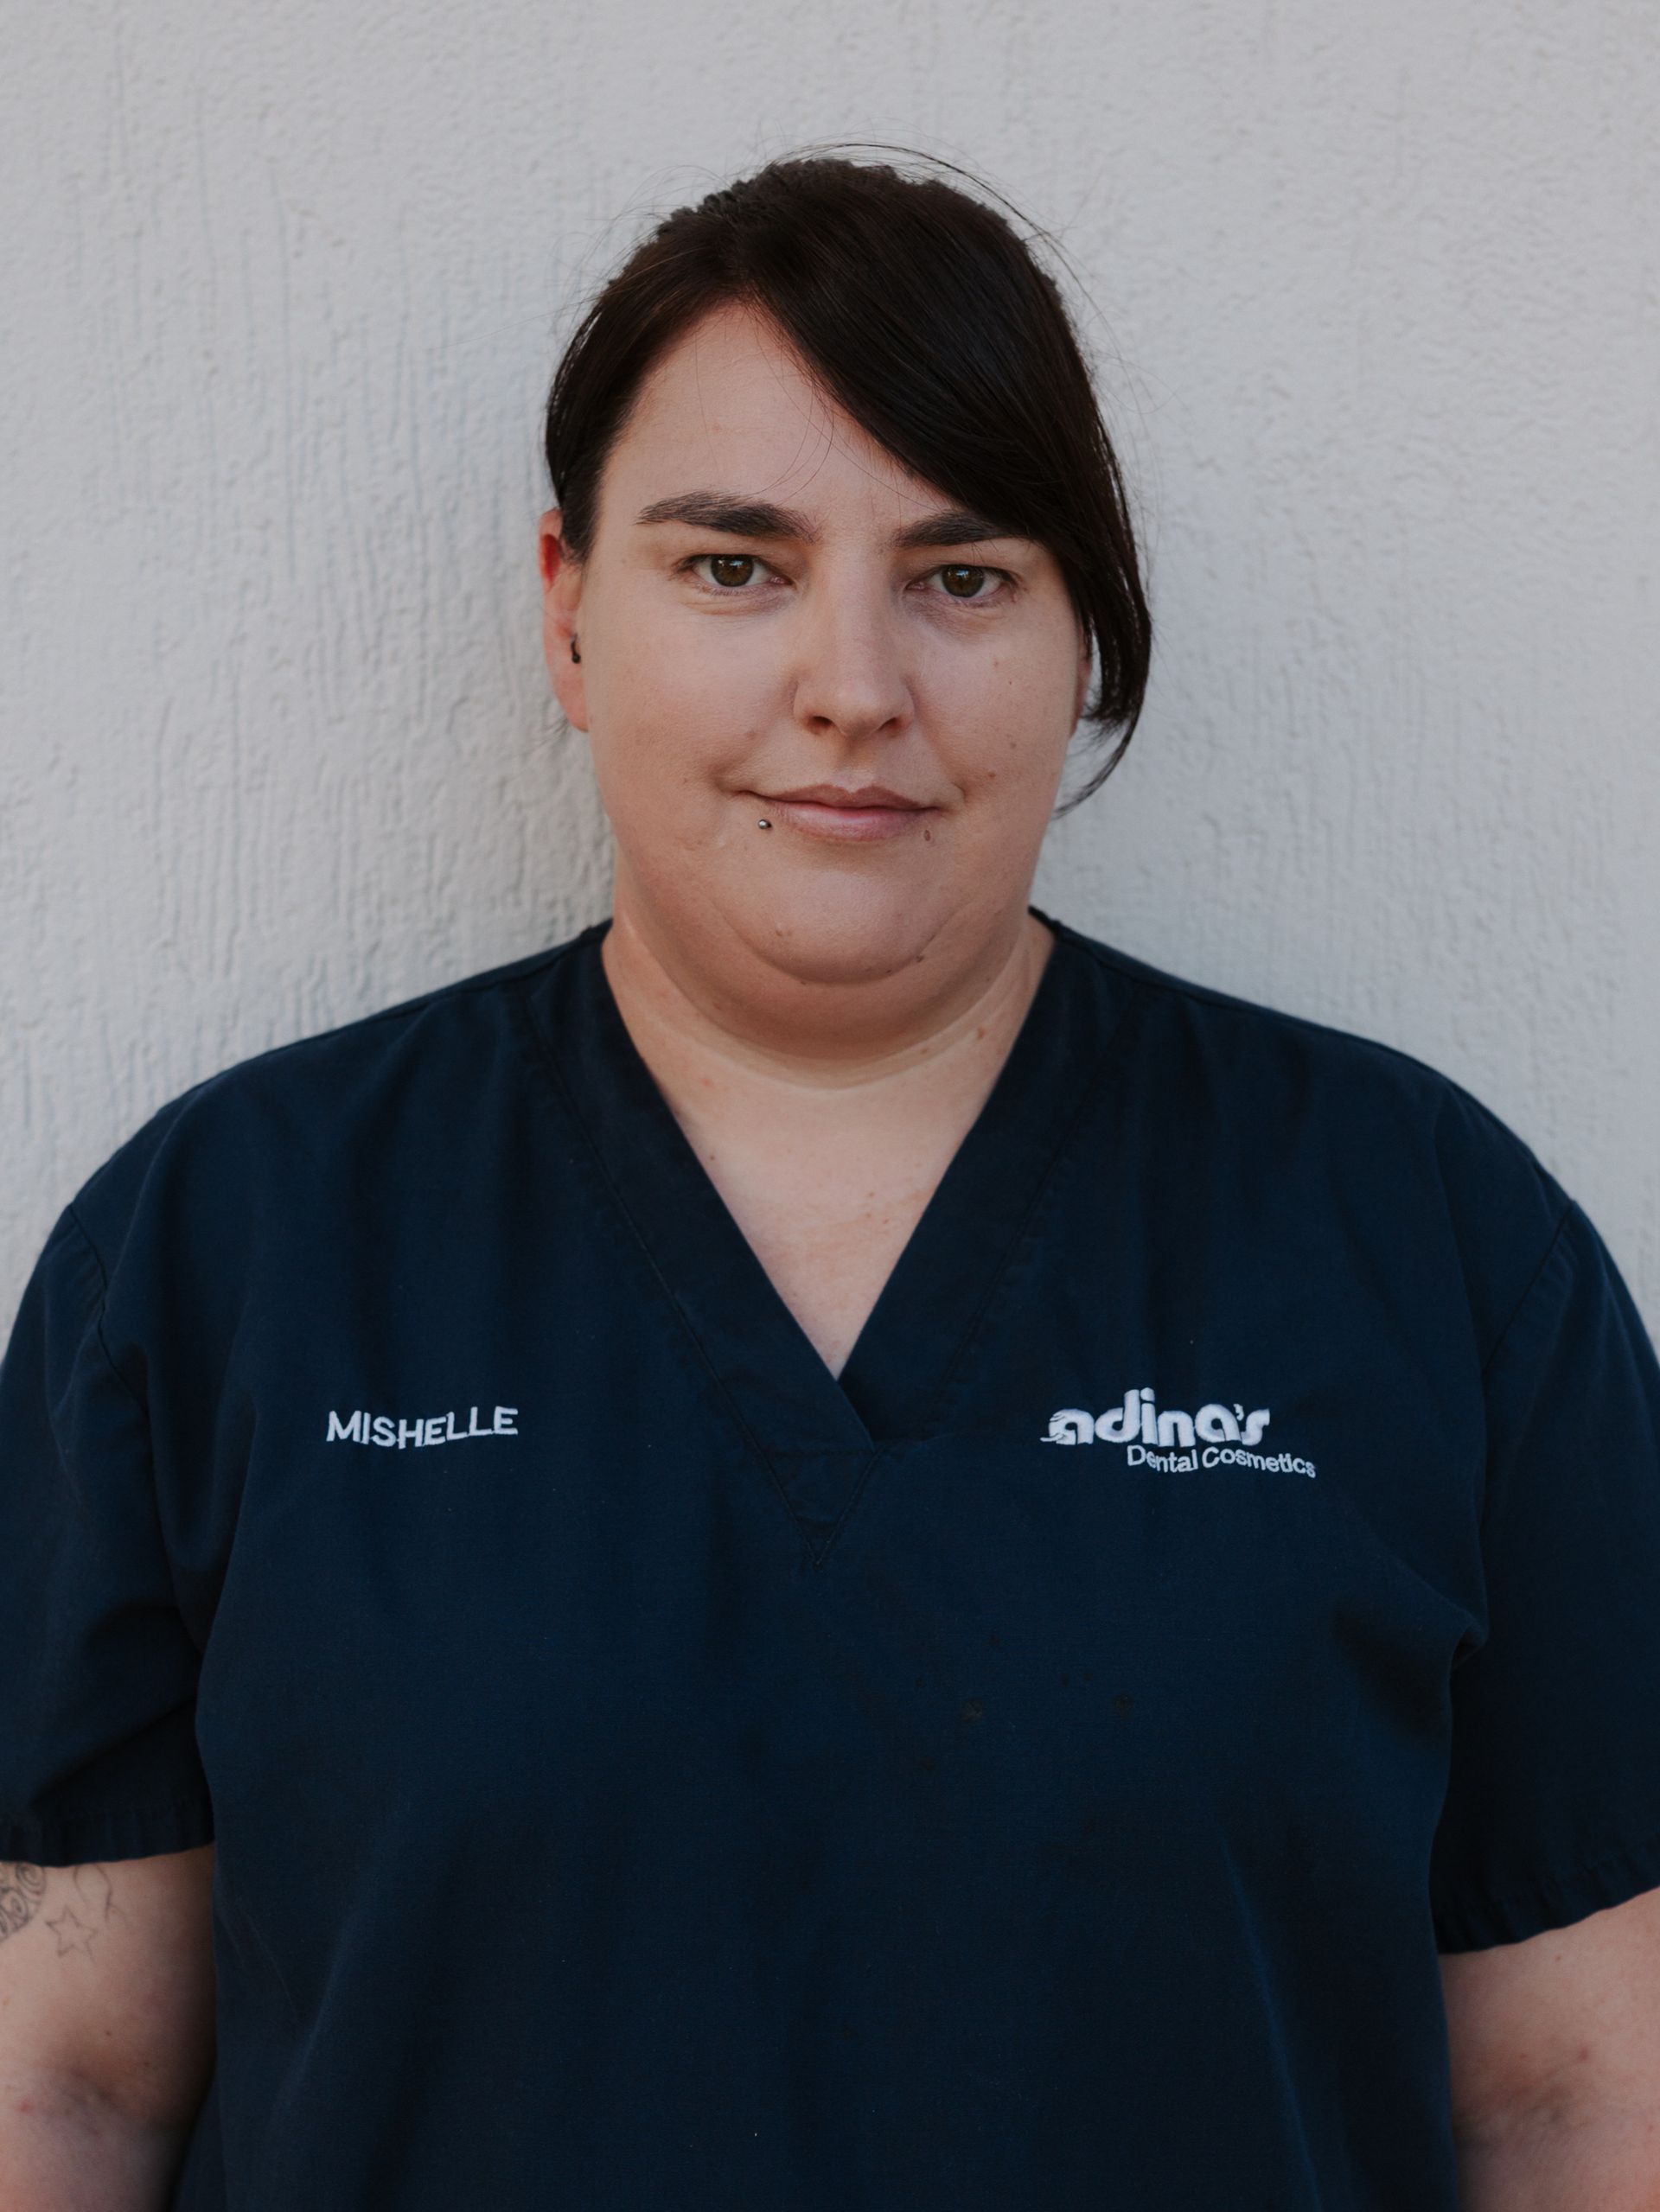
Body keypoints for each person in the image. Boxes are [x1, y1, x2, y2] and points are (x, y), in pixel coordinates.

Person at [1, 148, 1658, 2212]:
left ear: (1084, 645)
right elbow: (64, 2086)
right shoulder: (225, 1246)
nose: (854, 685)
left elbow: (1574, 2105)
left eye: (964, 575)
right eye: (735, 565)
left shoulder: (1431, 1245)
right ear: (567, 610)